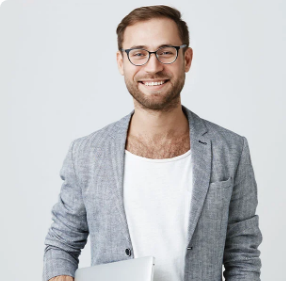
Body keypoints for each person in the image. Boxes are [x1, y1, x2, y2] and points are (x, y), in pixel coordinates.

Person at [43, 5, 263, 281]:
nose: (153, 66)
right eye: (138, 54)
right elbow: (61, 242)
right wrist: (58, 276)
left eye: (166, 52)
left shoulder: (230, 149)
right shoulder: (86, 153)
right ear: (121, 62)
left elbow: (242, 253)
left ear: (187, 58)